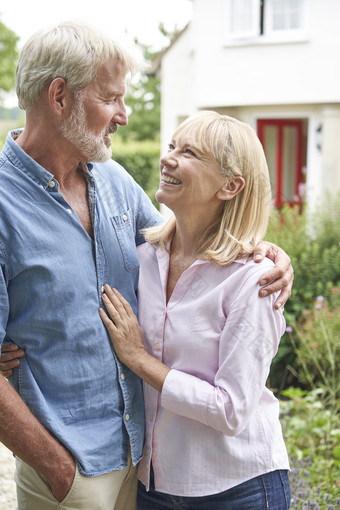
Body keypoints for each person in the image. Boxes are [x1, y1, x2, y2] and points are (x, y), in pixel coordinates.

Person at [0, 21, 292, 510]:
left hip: (146, 469)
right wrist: (58, 470)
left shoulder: (114, 181)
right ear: (59, 97)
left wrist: (269, 254)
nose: (124, 116)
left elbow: (190, 244)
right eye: (112, 98)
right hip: (70, 473)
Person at [98, 111, 291, 509]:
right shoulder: (141, 261)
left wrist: (138, 358)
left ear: (231, 185)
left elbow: (231, 410)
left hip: (237, 490)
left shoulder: (252, 280)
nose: (168, 158)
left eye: (189, 153)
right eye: (171, 146)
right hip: (154, 486)